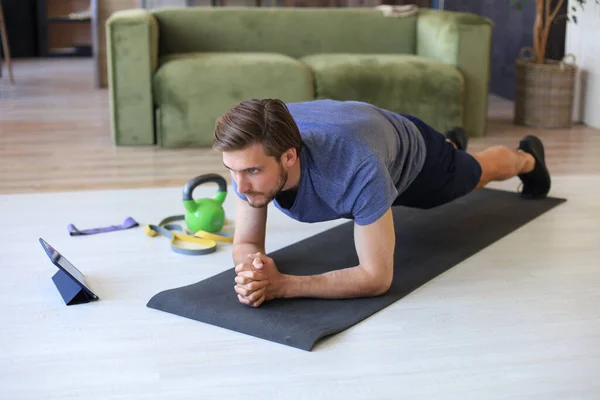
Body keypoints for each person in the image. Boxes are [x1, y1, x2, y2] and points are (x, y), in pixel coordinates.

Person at [212, 98, 551, 308]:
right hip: (369, 133)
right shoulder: (251, 152)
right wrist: (253, 271)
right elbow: (246, 243)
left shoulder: (355, 168)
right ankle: (450, 144)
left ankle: (526, 159)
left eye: (252, 171)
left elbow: (376, 277)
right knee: (445, 160)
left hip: (413, 157)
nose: (239, 186)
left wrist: (283, 286)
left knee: (475, 174)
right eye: (233, 171)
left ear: (289, 156)